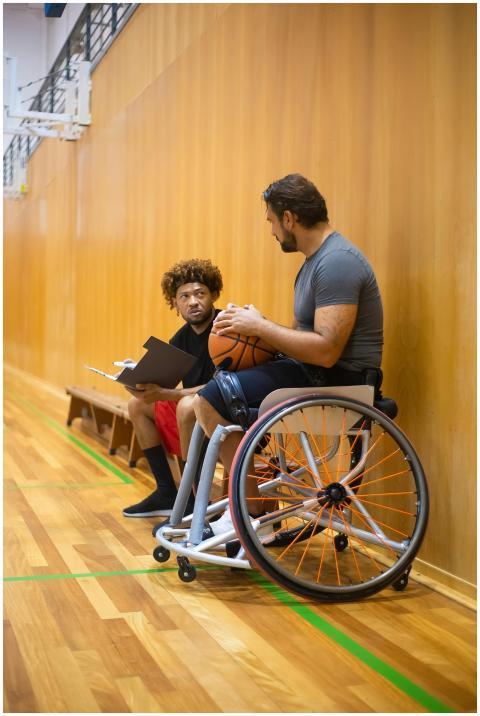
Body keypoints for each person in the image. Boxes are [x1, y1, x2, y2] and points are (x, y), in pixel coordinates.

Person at [193, 173, 384, 534]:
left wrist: (260, 328)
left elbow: (327, 350)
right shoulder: (315, 263)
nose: (271, 231)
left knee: (212, 399)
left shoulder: (337, 262)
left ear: (289, 218)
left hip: (340, 380)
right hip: (316, 373)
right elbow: (303, 339)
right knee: (216, 389)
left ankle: (248, 518)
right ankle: (247, 512)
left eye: (271, 220)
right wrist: (254, 326)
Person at [123, 258, 223, 518]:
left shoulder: (227, 329)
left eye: (200, 294)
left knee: (187, 405)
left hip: (223, 413)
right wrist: (140, 383)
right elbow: (163, 385)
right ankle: (167, 490)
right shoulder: (180, 339)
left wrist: (172, 394)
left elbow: (223, 386)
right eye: (184, 296)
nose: (193, 301)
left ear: (213, 295)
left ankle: (192, 498)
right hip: (193, 415)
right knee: (138, 404)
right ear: (175, 303)